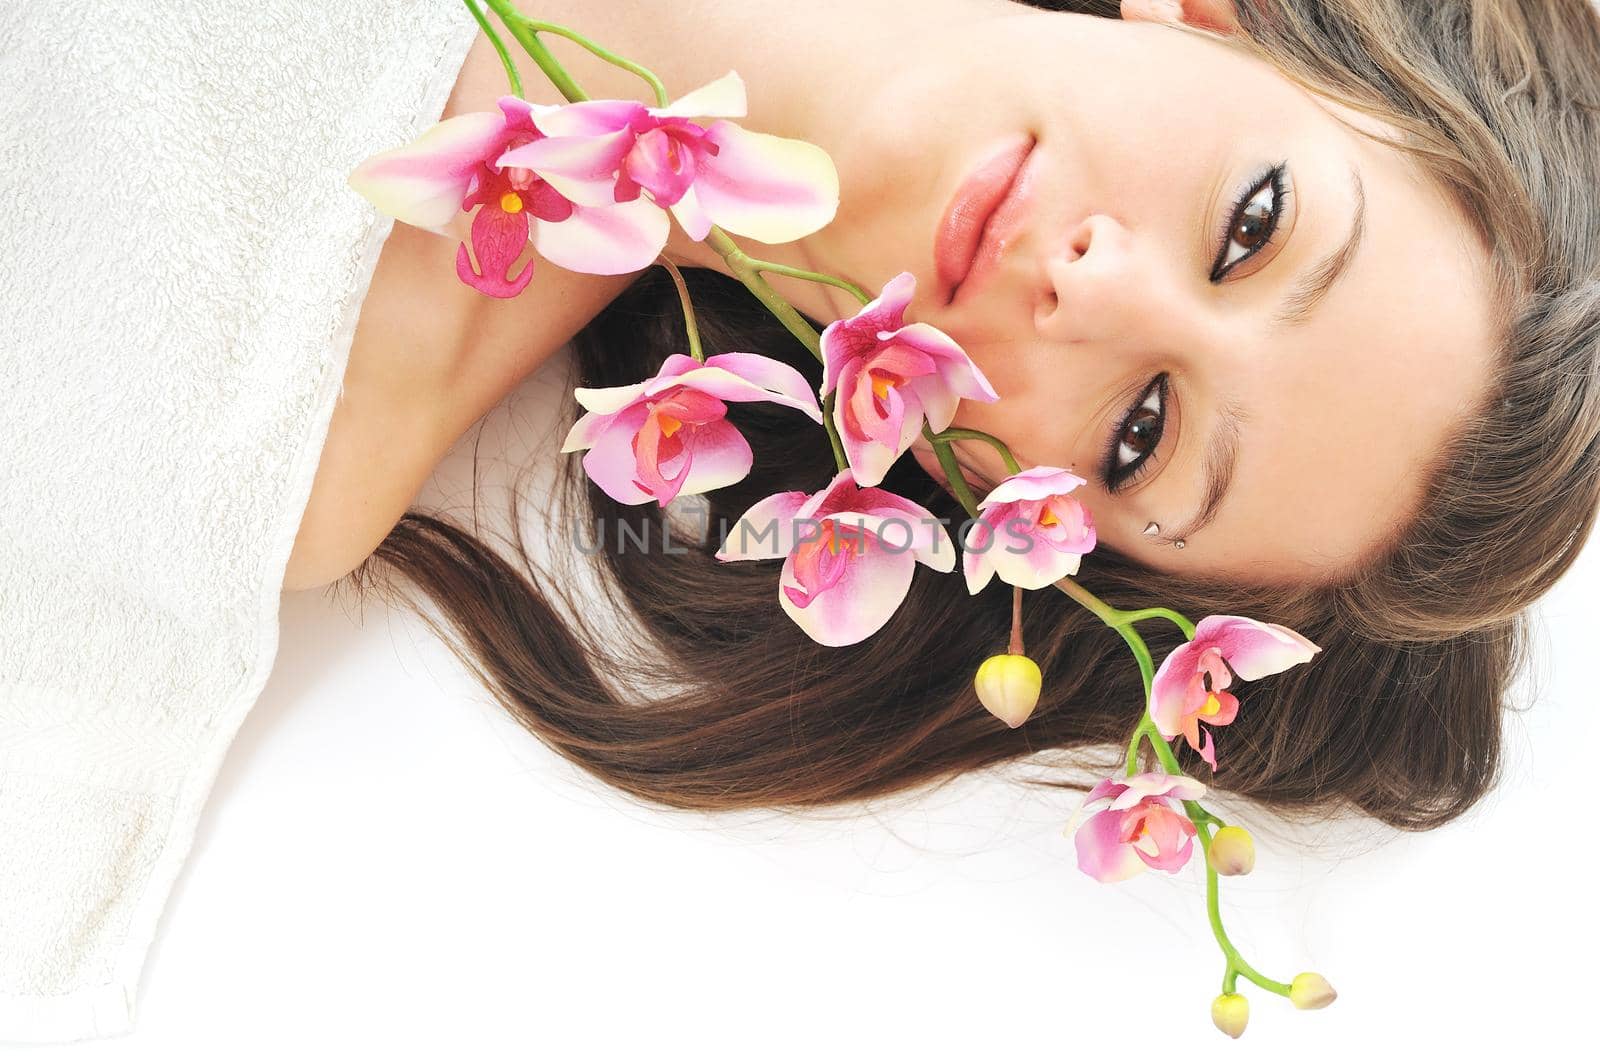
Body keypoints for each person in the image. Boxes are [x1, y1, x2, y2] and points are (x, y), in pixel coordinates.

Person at [288, 0, 1600, 829]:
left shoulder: (300, 437)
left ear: (997, 511)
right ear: (1219, 18)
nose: (1092, 284)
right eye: (1251, 227)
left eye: (1140, 430)